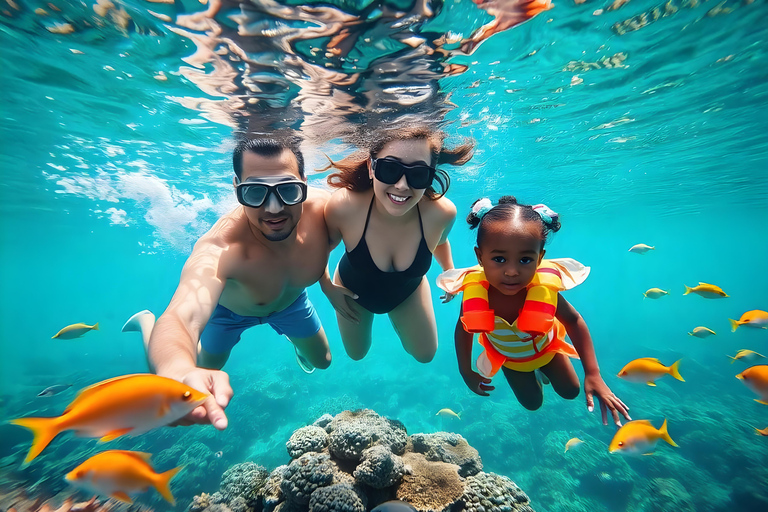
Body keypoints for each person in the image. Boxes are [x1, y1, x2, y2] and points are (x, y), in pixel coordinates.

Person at [125, 138, 357, 431]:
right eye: (256, 192)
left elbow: (314, 248)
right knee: (200, 377)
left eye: (287, 190)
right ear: (237, 189)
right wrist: (176, 368)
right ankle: (147, 324)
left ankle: (291, 337)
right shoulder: (221, 249)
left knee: (323, 361)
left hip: (292, 302)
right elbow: (181, 318)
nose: (274, 208)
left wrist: (326, 284)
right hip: (227, 317)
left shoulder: (324, 211)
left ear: (304, 184)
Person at [440, 196, 631, 426]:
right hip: (510, 358)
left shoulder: (542, 288)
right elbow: (463, 330)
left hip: (546, 350)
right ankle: (538, 376)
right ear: (480, 257)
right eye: (499, 259)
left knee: (571, 391)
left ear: (540, 258)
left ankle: (543, 370)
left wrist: (593, 373)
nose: (511, 271)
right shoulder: (475, 293)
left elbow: (574, 321)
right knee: (532, 404)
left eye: (525, 260)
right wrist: (465, 371)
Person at [322, 126, 474, 363]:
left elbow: (441, 242)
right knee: (356, 354)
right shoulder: (345, 206)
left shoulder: (442, 213)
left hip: (407, 290)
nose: (402, 185)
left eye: (418, 174)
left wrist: (449, 272)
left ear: (431, 176)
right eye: (390, 169)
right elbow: (322, 247)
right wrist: (327, 287)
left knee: (426, 355)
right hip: (353, 290)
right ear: (372, 168)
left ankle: (399, 316)